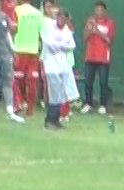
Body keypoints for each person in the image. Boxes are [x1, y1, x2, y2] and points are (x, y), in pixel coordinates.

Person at [38, 1, 74, 129]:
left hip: (62, 66)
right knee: (54, 94)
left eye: (64, 19)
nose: (62, 21)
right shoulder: (49, 27)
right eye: (60, 18)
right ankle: (49, 120)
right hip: (51, 66)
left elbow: (72, 45)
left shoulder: (67, 30)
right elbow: (50, 45)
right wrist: (62, 46)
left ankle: (56, 120)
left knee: (61, 94)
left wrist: (61, 47)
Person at [9, 0, 42, 114]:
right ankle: (30, 109)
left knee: (17, 79)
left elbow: (13, 30)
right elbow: (42, 34)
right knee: (32, 81)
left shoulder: (16, 11)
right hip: (33, 51)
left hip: (19, 50)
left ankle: (18, 103)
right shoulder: (38, 13)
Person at [80, 2, 112, 114]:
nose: (98, 12)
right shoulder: (90, 21)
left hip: (103, 58)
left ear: (104, 11)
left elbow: (109, 40)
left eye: (100, 10)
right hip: (90, 57)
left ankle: (103, 105)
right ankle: (88, 103)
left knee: (103, 82)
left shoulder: (109, 23)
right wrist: (90, 30)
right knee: (88, 81)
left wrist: (97, 31)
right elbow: (84, 38)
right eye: (96, 10)